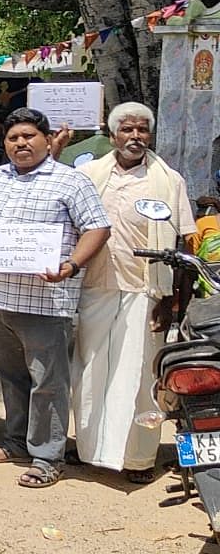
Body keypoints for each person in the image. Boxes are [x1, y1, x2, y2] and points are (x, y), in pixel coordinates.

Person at [0, 107, 110, 489]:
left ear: (48, 140)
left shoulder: (70, 182)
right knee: (11, 377)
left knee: (48, 381)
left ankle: (47, 455)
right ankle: (16, 442)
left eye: (29, 136)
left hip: (45, 301)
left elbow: (97, 228)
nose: (21, 143)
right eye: (13, 138)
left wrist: (71, 265)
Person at [72, 102, 195, 483]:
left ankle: (139, 459)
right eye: (127, 130)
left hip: (147, 292)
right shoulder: (90, 175)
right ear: (112, 135)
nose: (136, 137)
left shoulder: (168, 179)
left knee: (142, 377)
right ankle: (91, 450)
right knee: (90, 373)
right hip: (96, 288)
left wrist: (173, 301)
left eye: (142, 130)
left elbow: (185, 246)